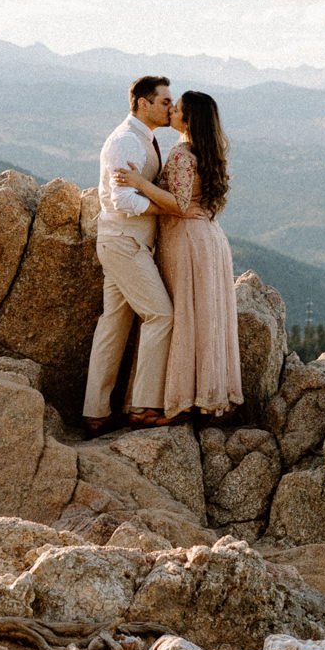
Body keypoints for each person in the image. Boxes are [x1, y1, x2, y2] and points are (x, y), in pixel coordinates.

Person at [113, 89, 242, 421]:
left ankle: (176, 403)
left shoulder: (183, 155)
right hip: (208, 239)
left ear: (189, 119)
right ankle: (194, 398)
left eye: (178, 108)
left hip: (186, 242)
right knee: (202, 319)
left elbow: (180, 204)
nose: (171, 111)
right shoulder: (206, 151)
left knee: (183, 316)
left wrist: (139, 183)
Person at [81, 75, 176, 434]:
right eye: (165, 101)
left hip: (124, 241)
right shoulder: (125, 141)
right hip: (124, 241)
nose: (171, 107)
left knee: (114, 324)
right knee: (161, 315)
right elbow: (121, 199)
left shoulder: (143, 139)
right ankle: (142, 406)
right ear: (142, 103)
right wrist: (164, 206)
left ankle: (96, 412)